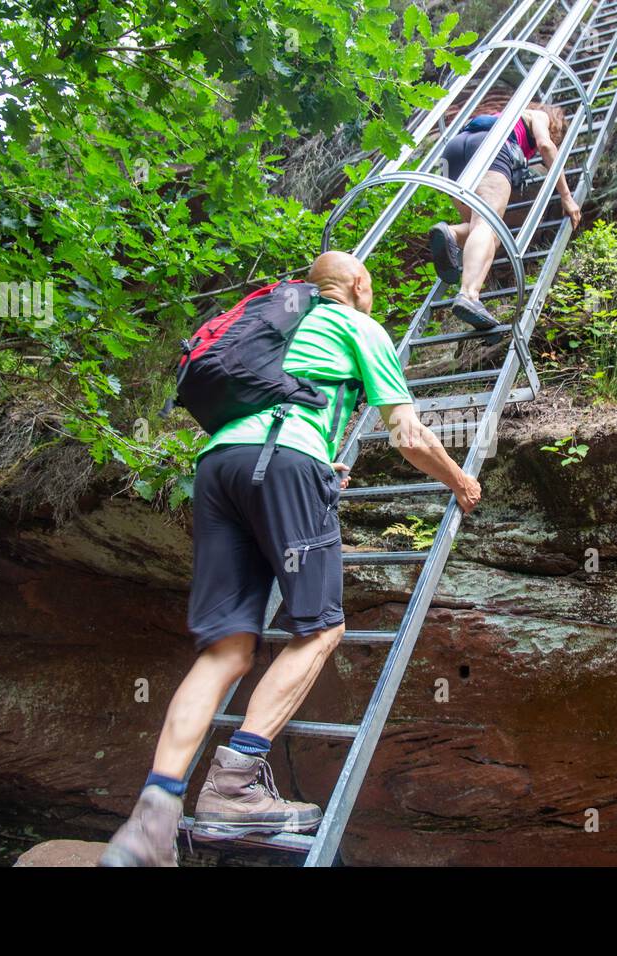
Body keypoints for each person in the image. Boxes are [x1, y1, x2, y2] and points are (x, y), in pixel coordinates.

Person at [100, 250, 483, 866]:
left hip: (219, 467)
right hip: (284, 459)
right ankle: (234, 786)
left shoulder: (277, 317)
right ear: (358, 284)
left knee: (225, 649)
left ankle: (151, 818)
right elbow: (408, 435)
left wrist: (307, 459)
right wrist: (458, 481)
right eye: (371, 286)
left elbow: (276, 405)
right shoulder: (359, 325)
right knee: (320, 629)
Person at [429, 102, 582, 335]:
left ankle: (449, 233)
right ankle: (469, 295)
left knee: (484, 232)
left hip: (454, 152)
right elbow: (545, 146)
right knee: (487, 225)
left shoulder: (505, 115)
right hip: (490, 147)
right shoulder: (538, 115)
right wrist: (566, 195)